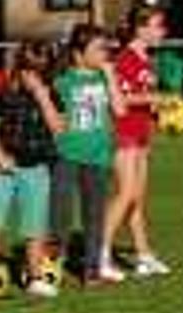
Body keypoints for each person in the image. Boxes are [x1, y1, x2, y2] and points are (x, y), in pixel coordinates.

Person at [0, 41, 64, 297]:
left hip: (37, 169)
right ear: (19, 69)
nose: (31, 77)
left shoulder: (52, 95)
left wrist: (42, 95)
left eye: (38, 72)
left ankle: (35, 277)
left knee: (34, 228)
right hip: (2, 168)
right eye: (27, 71)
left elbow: (58, 128)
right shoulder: (5, 93)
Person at [51, 23, 126, 286]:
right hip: (67, 155)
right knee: (60, 215)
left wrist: (111, 75)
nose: (104, 54)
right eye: (98, 49)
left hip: (98, 157)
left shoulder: (104, 78)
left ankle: (91, 271)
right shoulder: (61, 81)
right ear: (78, 53)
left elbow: (120, 111)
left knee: (94, 216)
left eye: (105, 48)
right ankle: (53, 265)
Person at [101, 3, 170, 280]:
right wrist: (153, 99)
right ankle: (100, 253)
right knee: (126, 193)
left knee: (137, 199)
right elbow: (117, 98)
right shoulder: (125, 58)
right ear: (140, 28)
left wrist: (164, 112)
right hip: (123, 133)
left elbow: (143, 99)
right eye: (157, 25)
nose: (162, 31)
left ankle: (143, 256)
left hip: (141, 134)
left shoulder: (146, 58)